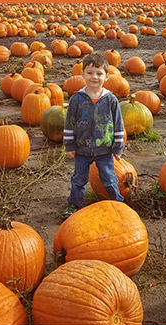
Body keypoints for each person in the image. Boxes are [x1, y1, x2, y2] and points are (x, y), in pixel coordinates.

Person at [62, 53, 125, 220]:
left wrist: (118, 147)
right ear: (82, 74)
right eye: (89, 73)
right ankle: (74, 204)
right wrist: (70, 145)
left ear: (106, 76)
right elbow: (70, 123)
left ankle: (118, 202)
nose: (94, 77)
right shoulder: (77, 99)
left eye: (99, 73)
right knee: (78, 179)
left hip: (104, 150)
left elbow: (119, 125)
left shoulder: (111, 100)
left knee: (109, 178)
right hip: (82, 149)